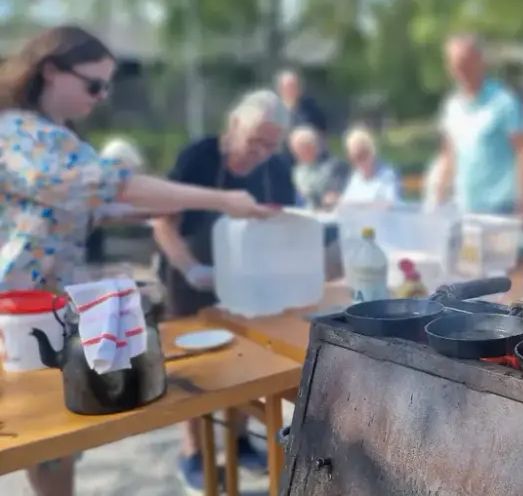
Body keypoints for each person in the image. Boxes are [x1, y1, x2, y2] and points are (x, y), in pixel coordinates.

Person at [0, 25, 274, 496]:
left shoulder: (57, 135)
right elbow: (107, 184)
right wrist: (221, 200)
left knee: (53, 440)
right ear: (49, 70)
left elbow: (86, 204)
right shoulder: (17, 132)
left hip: (48, 310)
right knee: (24, 432)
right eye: (93, 84)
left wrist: (154, 208)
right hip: (13, 310)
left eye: (107, 86)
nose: (101, 96)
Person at [150, 89, 297, 492]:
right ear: (234, 126)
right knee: (193, 368)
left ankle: (236, 441)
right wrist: (191, 267)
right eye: (255, 141)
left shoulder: (276, 169)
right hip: (189, 274)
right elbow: (164, 224)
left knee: (244, 361)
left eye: (271, 144)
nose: (261, 152)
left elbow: (288, 226)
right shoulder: (198, 156)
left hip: (245, 281)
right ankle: (194, 453)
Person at [436, 34, 523, 215]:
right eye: (455, 65)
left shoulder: (504, 101)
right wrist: (438, 199)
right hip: (464, 207)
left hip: (501, 207)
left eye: (465, 63)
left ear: (479, 61)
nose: (460, 70)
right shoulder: (452, 106)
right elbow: (448, 155)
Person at [288, 124, 350, 209]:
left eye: (303, 148)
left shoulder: (336, 166)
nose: (297, 153)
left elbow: (335, 196)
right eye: (295, 149)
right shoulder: (297, 170)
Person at [338, 126, 400, 206]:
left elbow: (392, 205)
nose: (357, 163)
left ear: (371, 152)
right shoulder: (356, 177)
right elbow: (345, 204)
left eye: (361, 156)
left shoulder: (388, 176)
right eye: (353, 158)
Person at [276, 69, 328, 134]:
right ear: (280, 89)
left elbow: (322, 134)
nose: (291, 90)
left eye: (294, 87)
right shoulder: (274, 111)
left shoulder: (312, 111)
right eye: (287, 87)